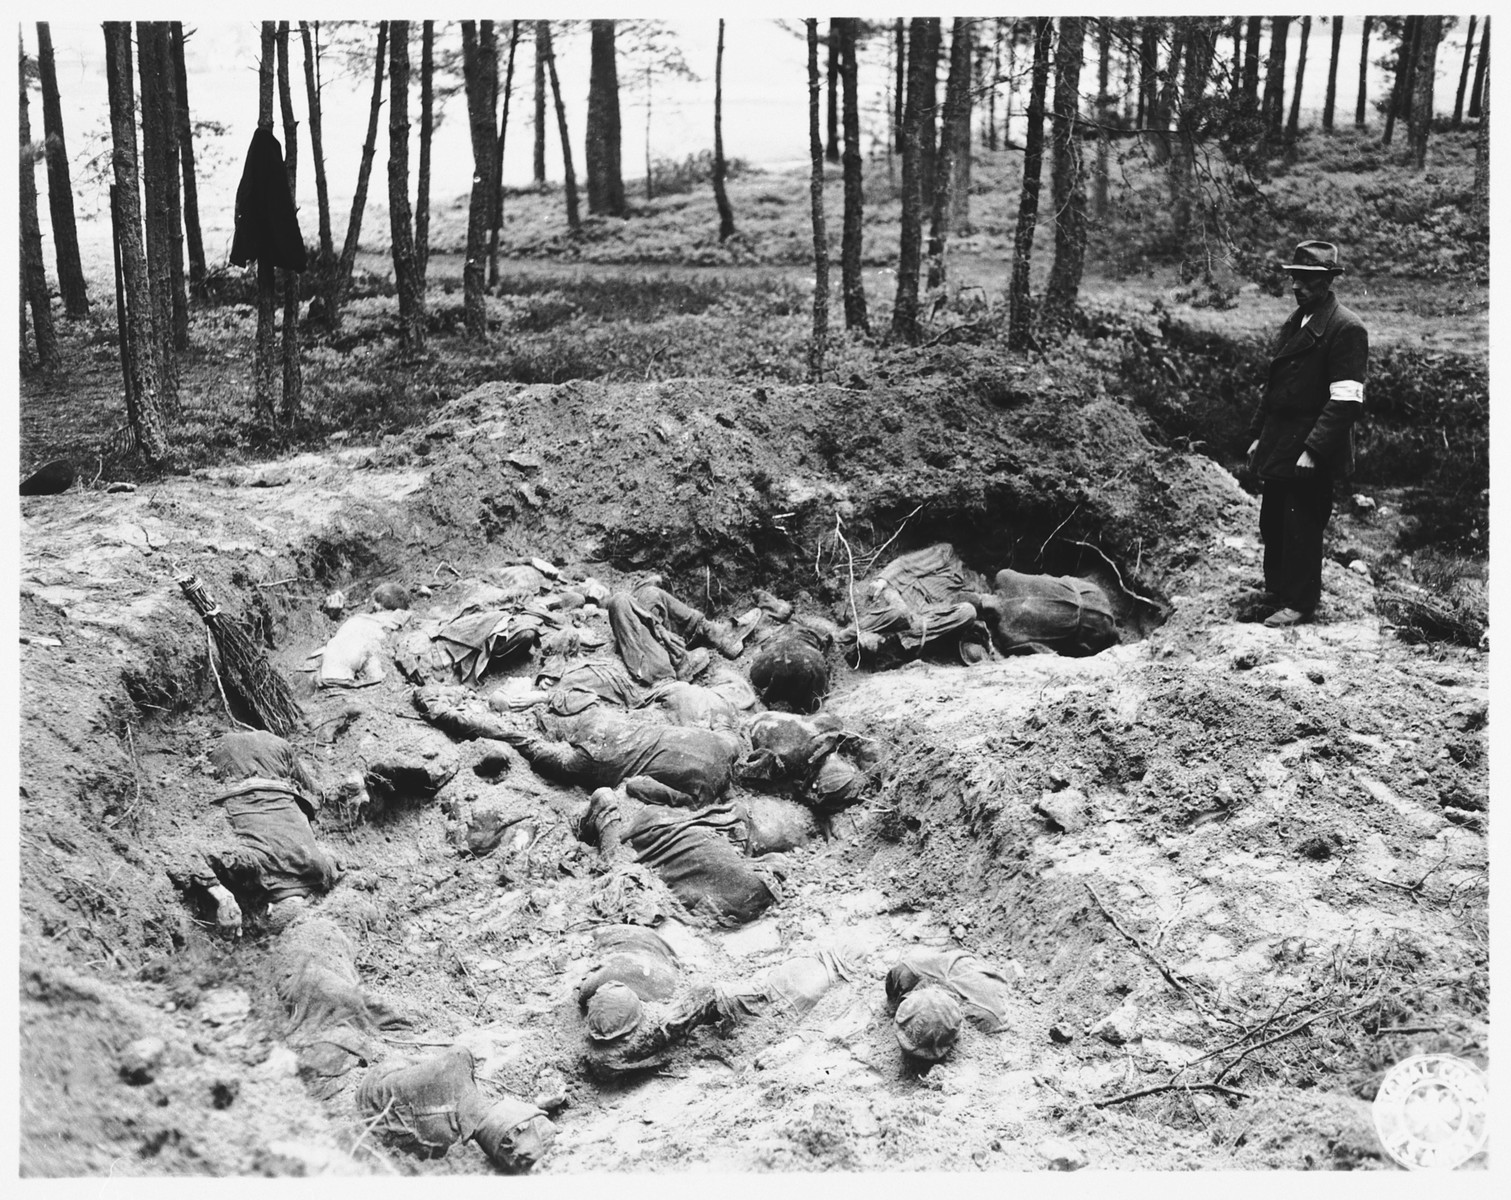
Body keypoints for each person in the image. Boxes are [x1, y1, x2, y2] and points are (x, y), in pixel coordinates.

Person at [1244, 240, 1369, 627]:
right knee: (1273, 520)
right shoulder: (1297, 321)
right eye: (1295, 277)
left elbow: (1346, 399)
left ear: (1328, 281)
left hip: (1311, 446)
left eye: (1307, 279)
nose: (1297, 285)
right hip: (1281, 440)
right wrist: (1258, 434)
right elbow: (1276, 385)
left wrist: (1314, 450)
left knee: (1302, 523)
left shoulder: (1346, 328)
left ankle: (1300, 602)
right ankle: (1278, 590)